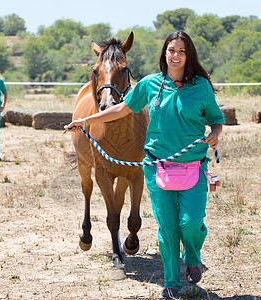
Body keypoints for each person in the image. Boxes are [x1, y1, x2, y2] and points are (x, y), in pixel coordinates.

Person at [64, 31, 225, 299]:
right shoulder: (150, 84)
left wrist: (216, 133)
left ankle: (193, 256)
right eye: (171, 50)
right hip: (157, 167)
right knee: (167, 228)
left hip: (193, 165)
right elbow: (123, 108)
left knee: (191, 223)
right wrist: (87, 120)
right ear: (164, 54)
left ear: (189, 55)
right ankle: (172, 284)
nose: (175, 55)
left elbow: (216, 118)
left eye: (181, 51)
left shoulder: (201, 87)